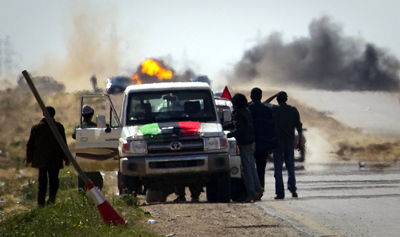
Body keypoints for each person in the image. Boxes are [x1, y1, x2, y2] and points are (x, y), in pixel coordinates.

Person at [26, 106, 70, 207]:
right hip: (55, 159)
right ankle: (51, 201)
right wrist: (66, 158)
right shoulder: (58, 127)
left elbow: (30, 144)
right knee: (54, 181)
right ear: (53, 114)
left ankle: (40, 203)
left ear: (44, 114)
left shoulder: (37, 127)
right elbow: (63, 144)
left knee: (42, 181)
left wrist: (29, 159)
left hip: (41, 160)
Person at [223, 93, 263, 202]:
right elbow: (235, 125)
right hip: (251, 141)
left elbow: (238, 128)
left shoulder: (238, 113)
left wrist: (227, 135)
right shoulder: (246, 111)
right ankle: (258, 188)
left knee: (246, 169)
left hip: (244, 142)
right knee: (251, 166)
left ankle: (251, 193)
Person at [265, 91, 303, 199]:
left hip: (277, 144)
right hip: (290, 143)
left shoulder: (274, 109)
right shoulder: (293, 110)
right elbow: (299, 127)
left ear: (277, 100)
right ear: (286, 99)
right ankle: (293, 189)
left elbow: (264, 103)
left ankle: (280, 193)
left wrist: (274, 95)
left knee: (278, 169)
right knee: (290, 167)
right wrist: (300, 142)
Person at [248, 88, 278, 200]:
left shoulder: (248, 109)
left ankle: (253, 189)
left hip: (250, 142)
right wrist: (271, 146)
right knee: (261, 168)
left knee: (250, 167)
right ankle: (260, 189)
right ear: (260, 96)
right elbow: (272, 128)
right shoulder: (267, 109)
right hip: (264, 144)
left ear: (251, 96)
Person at [72, 104, 103, 191]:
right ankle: (97, 193)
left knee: (82, 173)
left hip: (82, 154)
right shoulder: (94, 126)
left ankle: (82, 192)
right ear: (92, 114)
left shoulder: (79, 126)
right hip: (93, 153)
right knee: (96, 176)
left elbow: (74, 136)